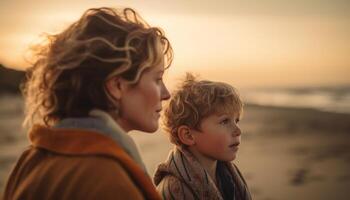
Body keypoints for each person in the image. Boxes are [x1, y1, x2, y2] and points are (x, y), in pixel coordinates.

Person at [3, 6, 172, 200]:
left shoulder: (30, 162)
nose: (166, 94)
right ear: (117, 86)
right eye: (157, 79)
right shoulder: (110, 181)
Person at [154, 73, 252, 200]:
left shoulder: (229, 176)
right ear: (188, 135)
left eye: (236, 121)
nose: (238, 131)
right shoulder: (174, 191)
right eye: (224, 121)